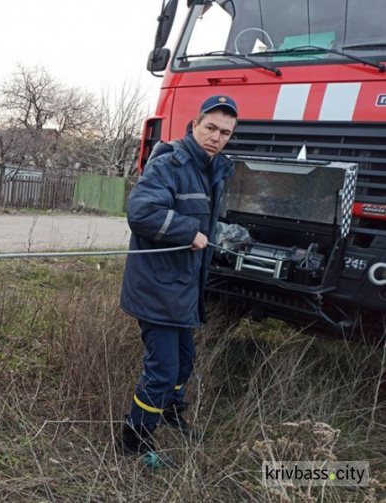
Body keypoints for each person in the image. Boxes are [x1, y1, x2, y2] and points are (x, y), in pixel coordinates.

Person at [118, 95, 238, 465]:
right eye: (211, 128)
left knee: (185, 362)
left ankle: (169, 413)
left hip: (182, 287)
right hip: (158, 286)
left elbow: (203, 218)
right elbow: (141, 213)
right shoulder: (171, 163)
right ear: (195, 124)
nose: (216, 137)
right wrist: (188, 231)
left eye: (225, 133)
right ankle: (134, 439)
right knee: (163, 369)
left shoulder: (212, 168)